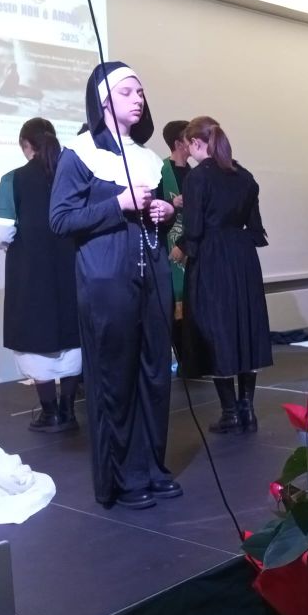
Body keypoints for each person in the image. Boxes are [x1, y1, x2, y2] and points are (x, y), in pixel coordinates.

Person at [49, 61, 179, 510]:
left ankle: (152, 467)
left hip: (153, 277)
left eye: (140, 92)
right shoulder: (79, 153)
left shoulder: (147, 158)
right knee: (115, 380)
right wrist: (119, 203)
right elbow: (60, 220)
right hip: (106, 280)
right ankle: (122, 478)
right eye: (127, 92)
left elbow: (157, 218)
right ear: (103, 101)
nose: (138, 99)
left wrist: (166, 213)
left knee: (155, 376)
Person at [177, 115, 272, 434]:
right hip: (243, 258)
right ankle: (248, 409)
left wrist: (182, 247)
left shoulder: (197, 178)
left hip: (212, 257)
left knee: (216, 329)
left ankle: (230, 412)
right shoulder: (244, 176)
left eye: (188, 145)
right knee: (244, 328)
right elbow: (255, 227)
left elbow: (194, 228)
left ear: (195, 142)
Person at [0, 117, 81, 432]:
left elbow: (2, 230)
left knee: (35, 335)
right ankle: (69, 411)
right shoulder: (73, 176)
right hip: (72, 266)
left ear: (26, 145)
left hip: (30, 269)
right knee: (73, 335)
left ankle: (50, 413)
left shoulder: (13, 179)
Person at [160, 120, 190, 355]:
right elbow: (149, 208)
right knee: (173, 309)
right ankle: (180, 356)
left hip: (194, 247)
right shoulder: (159, 172)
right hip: (169, 247)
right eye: (189, 138)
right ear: (179, 143)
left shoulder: (197, 173)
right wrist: (172, 203)